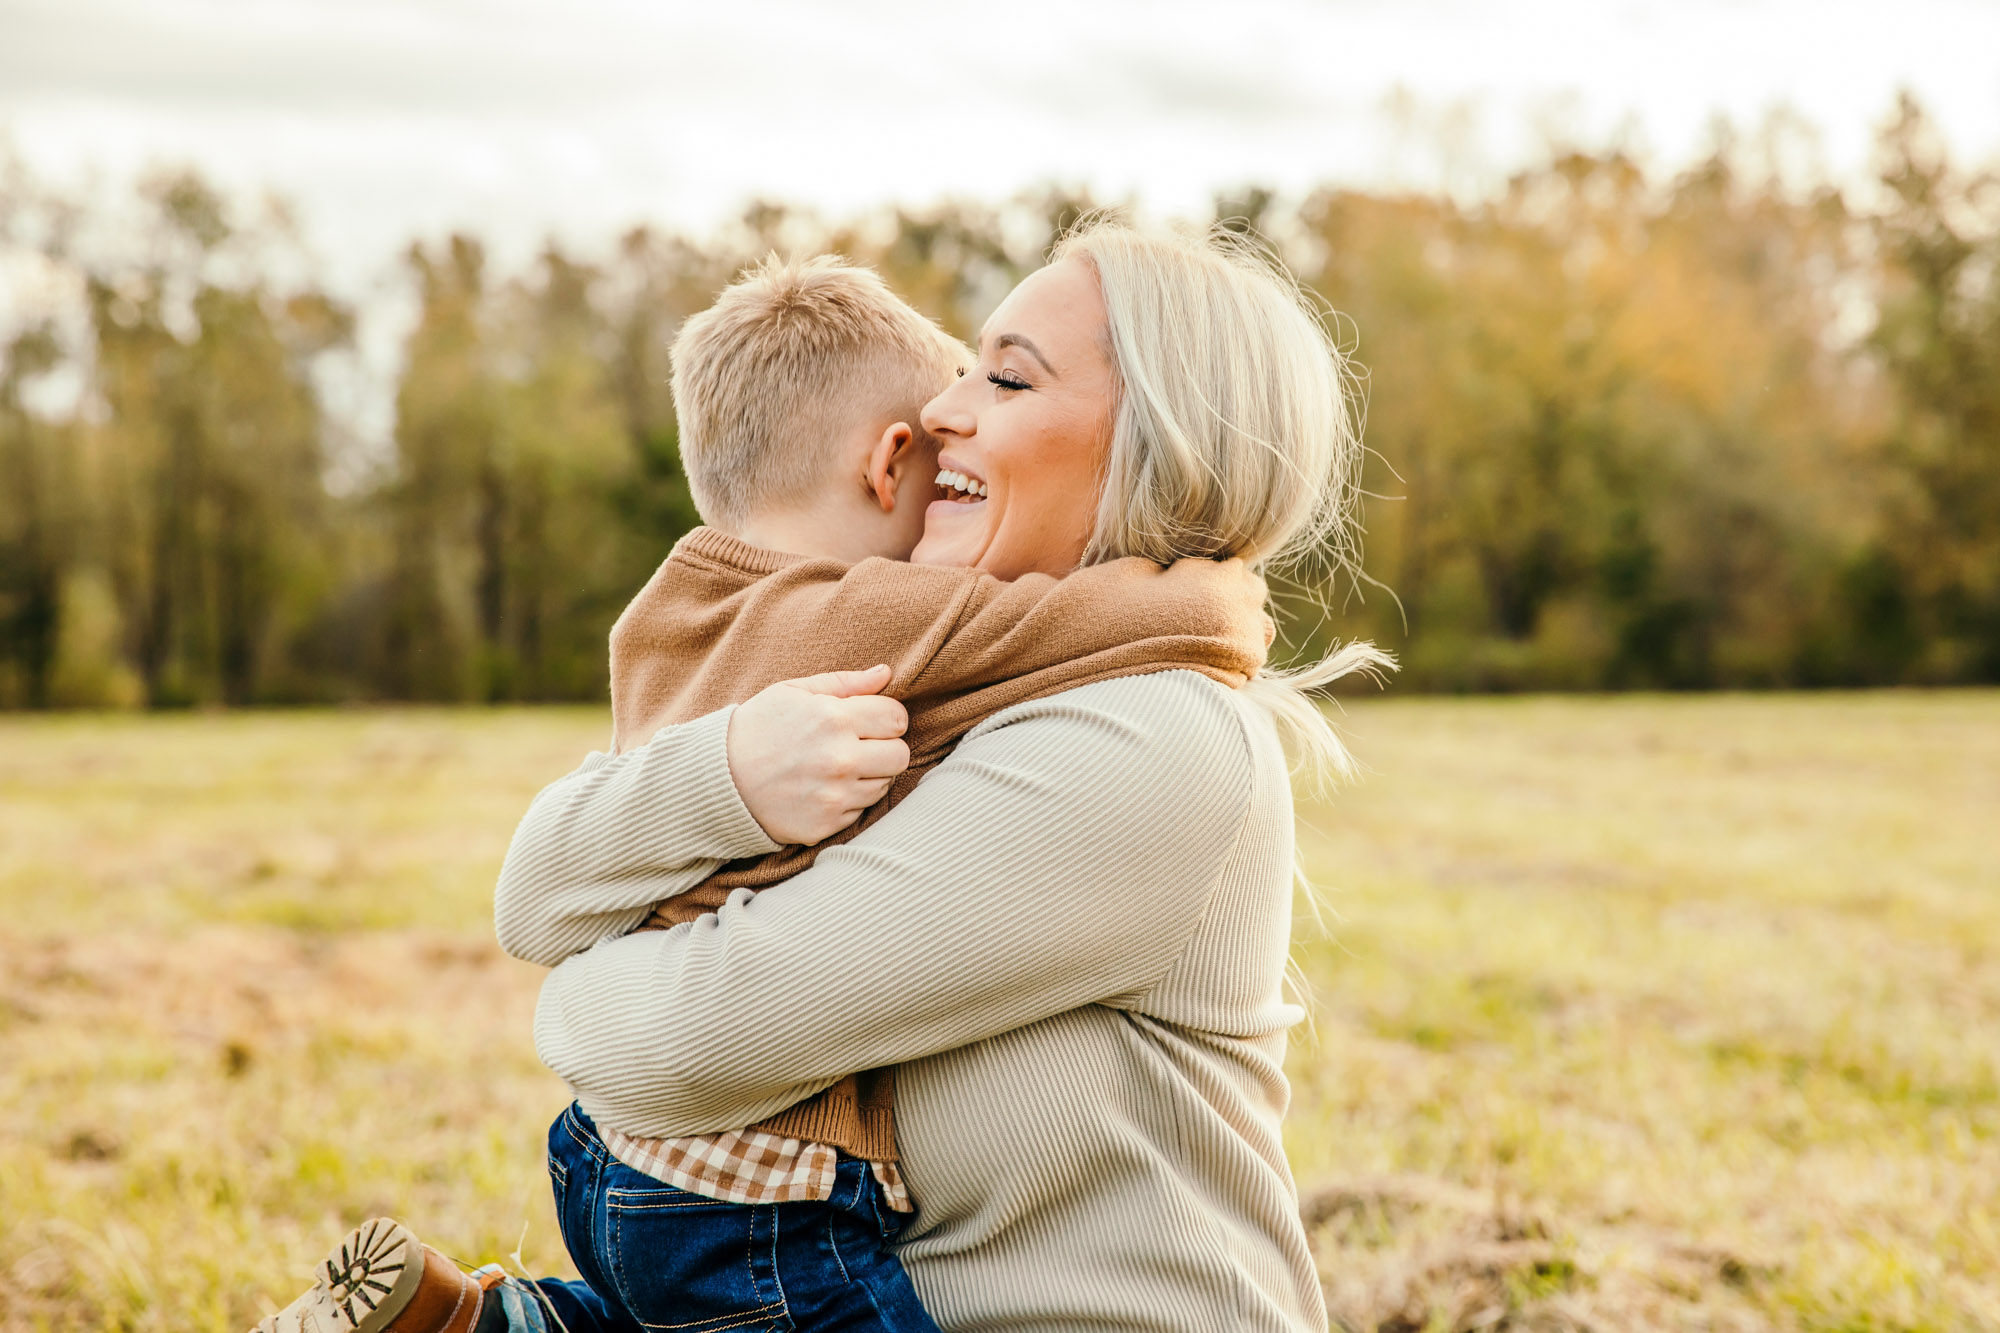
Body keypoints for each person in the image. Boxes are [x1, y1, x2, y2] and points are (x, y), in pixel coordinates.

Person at [256, 218, 1386, 1333]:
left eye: (1004, 378)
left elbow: (688, 1043)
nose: (940, 412)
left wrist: (574, 984)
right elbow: (536, 892)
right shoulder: (931, 678)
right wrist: (727, 770)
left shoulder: (1155, 738)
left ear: (1162, 439)